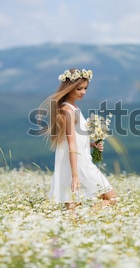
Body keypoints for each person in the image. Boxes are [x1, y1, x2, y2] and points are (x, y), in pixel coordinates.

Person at [40, 67, 116, 209]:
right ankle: (84, 218)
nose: (83, 92)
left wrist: (92, 144)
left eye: (85, 88)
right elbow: (71, 144)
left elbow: (77, 138)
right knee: (111, 199)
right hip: (80, 164)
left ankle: (80, 221)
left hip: (81, 160)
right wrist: (75, 175)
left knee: (73, 208)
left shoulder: (72, 107)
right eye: (79, 89)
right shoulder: (67, 110)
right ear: (69, 88)